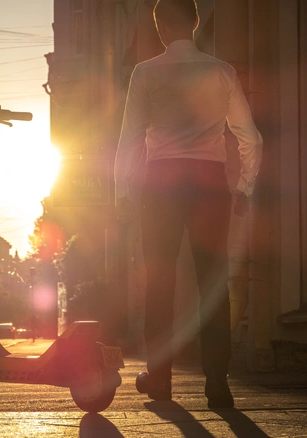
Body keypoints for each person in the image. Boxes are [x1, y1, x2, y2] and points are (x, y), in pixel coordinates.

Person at [114, 0, 263, 409]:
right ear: (196, 23)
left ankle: (159, 380)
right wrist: (245, 188)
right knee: (212, 284)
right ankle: (218, 384)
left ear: (160, 27)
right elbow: (250, 137)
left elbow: (129, 139)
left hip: (161, 184)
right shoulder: (221, 71)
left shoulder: (144, 73)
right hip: (209, 183)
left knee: (159, 283)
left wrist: (123, 194)